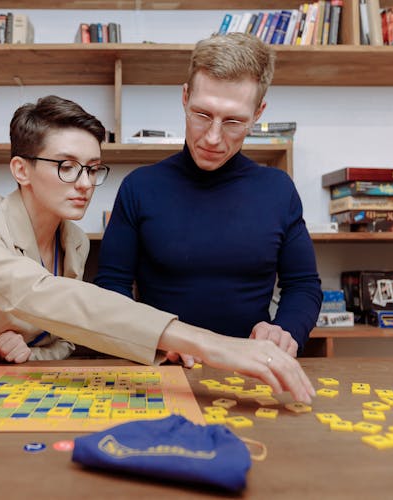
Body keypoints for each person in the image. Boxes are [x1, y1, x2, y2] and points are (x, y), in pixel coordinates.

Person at [0, 95, 314, 403]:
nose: (85, 182)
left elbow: (66, 337)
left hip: (11, 385)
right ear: (21, 169)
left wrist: (26, 356)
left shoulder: (73, 241)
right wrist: (206, 342)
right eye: (66, 166)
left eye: (92, 168)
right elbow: (37, 294)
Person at [95, 33, 322, 358]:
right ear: (185, 97)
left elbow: (303, 285)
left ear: (258, 113)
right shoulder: (139, 187)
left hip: (250, 368)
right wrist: (152, 339)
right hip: (162, 367)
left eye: (233, 121)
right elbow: (111, 287)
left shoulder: (278, 189)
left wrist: (285, 331)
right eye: (202, 115)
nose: (213, 138)